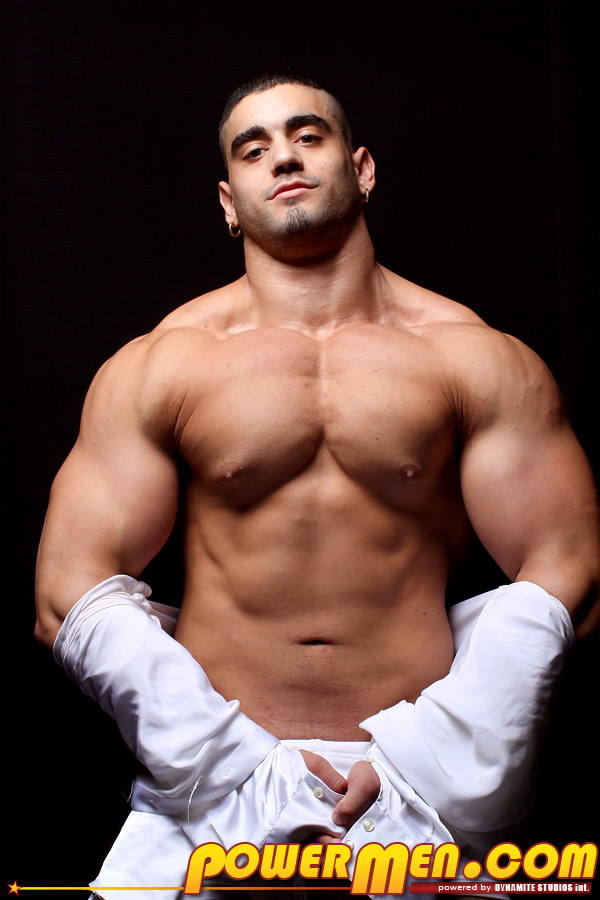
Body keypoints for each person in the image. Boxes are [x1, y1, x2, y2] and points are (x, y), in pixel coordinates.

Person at [35, 70, 599, 899]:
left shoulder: (471, 357)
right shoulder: (162, 364)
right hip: (208, 794)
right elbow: (67, 596)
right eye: (253, 149)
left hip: (418, 796)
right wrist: (232, 764)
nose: (284, 158)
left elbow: (568, 575)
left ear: (361, 169)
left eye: (308, 136)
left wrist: (422, 762)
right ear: (229, 203)